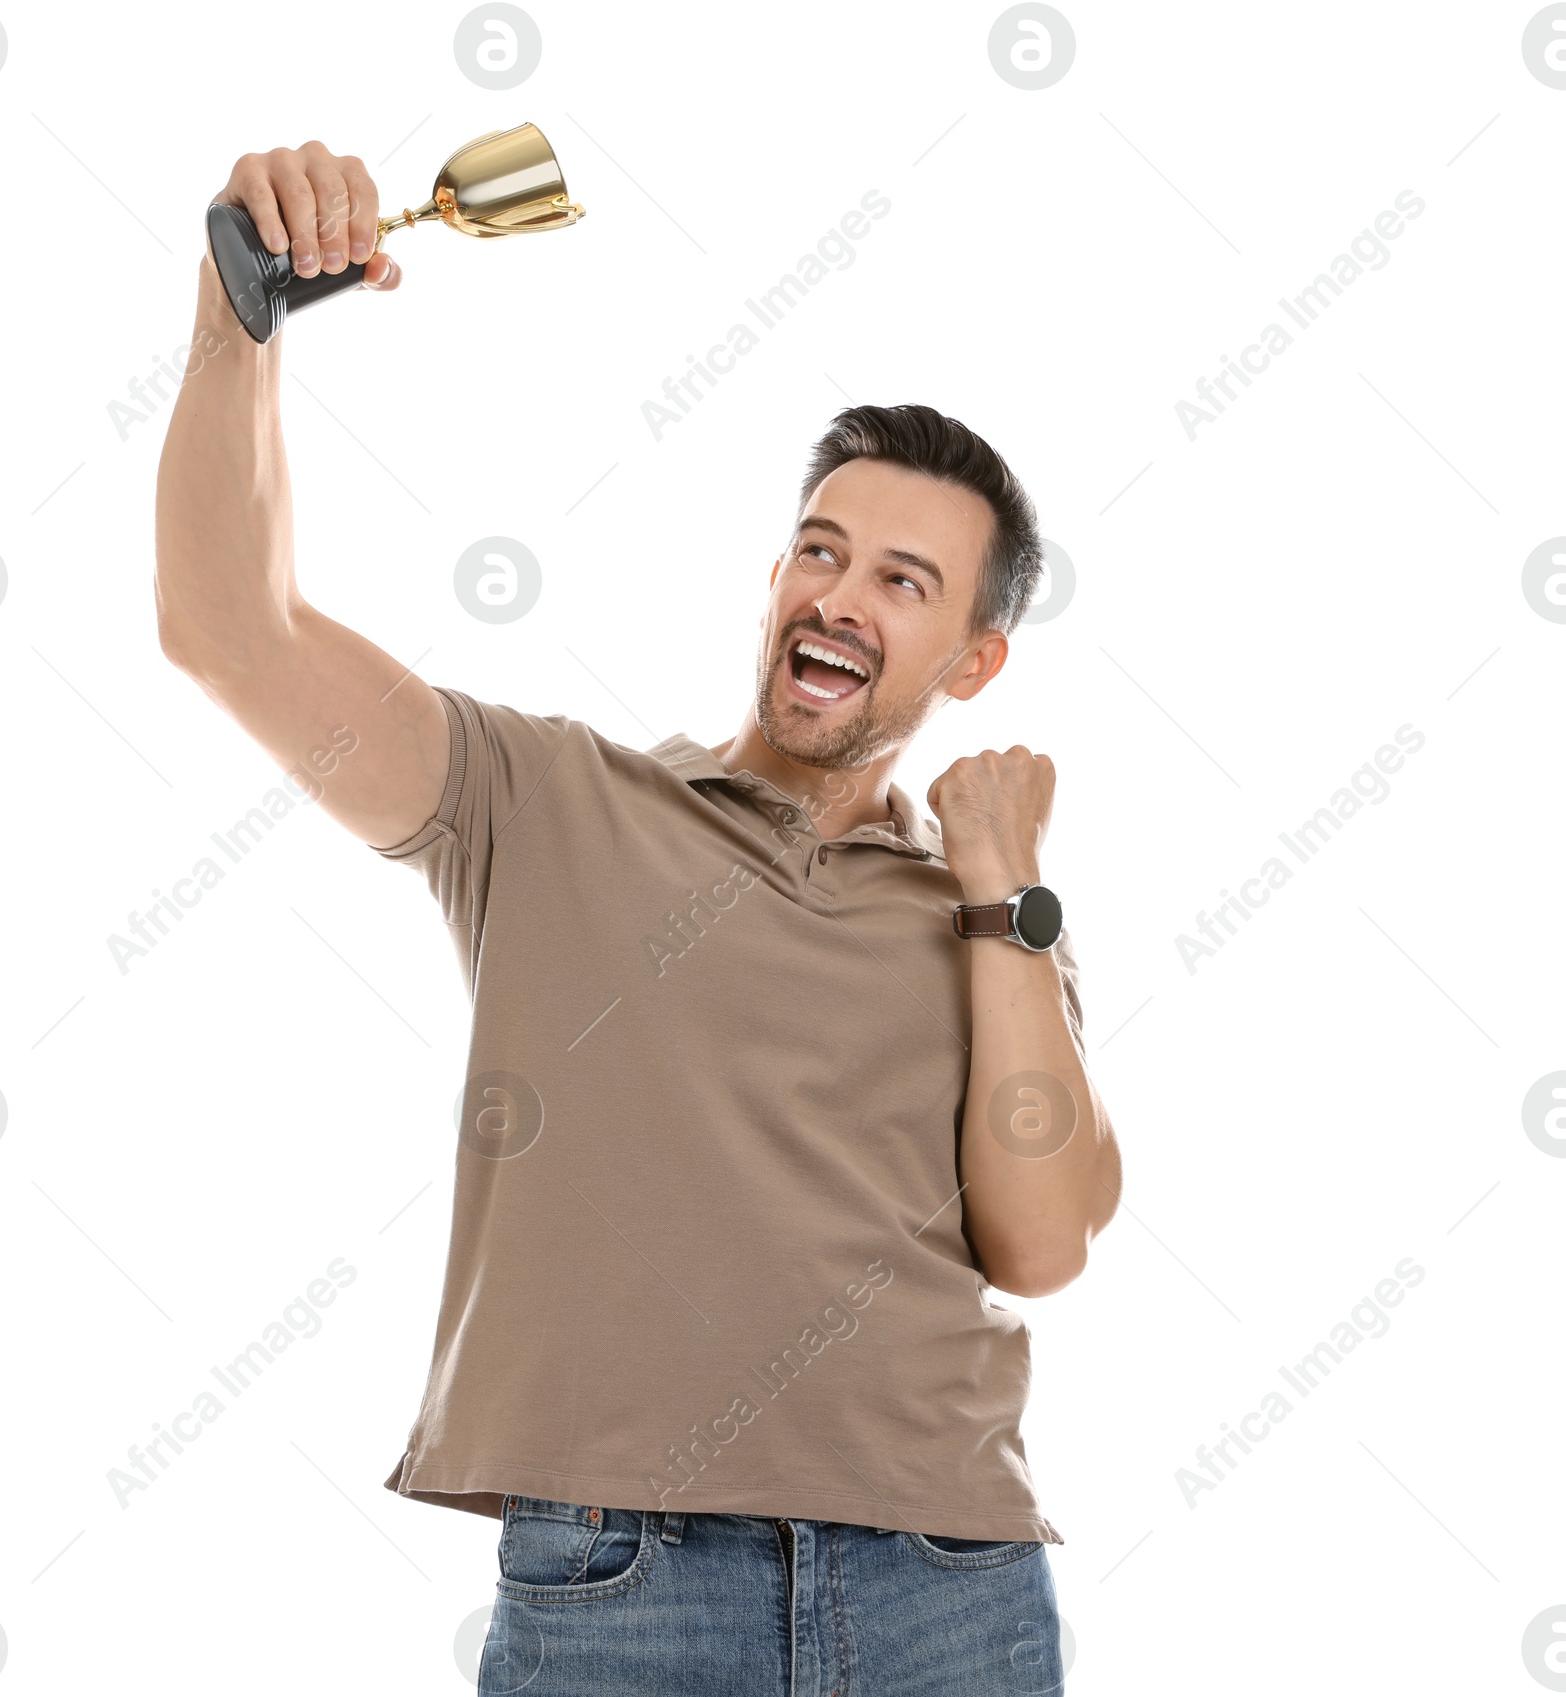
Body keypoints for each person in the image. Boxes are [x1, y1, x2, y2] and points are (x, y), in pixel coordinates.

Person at [156, 139, 1122, 1697]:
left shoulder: (989, 916)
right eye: (819, 548)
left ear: (972, 660)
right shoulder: (544, 804)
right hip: (626, 1583)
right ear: (773, 577)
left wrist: (1002, 892)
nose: (838, 597)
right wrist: (234, 313)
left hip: (949, 1582)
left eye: (901, 578)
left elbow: (1043, 1237)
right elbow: (226, 626)